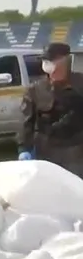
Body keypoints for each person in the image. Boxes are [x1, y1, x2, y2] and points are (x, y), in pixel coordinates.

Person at [18, 42, 83, 177]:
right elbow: (27, 122)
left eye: (52, 60)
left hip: (75, 151)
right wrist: (24, 148)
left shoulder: (80, 84)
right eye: (45, 61)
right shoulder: (35, 89)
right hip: (46, 151)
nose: (48, 66)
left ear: (66, 61)